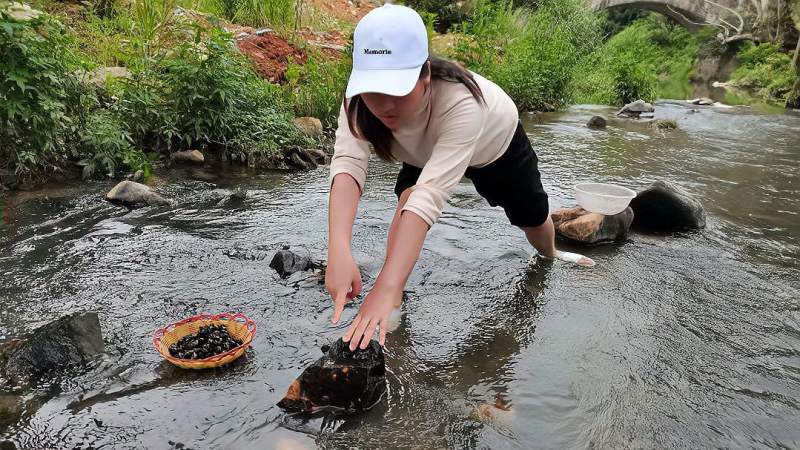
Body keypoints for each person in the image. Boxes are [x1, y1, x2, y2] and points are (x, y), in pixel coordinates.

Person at [326, 4, 594, 352]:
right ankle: (392, 296)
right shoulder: (357, 99)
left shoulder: (462, 102)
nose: (384, 105)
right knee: (407, 200)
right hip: (423, 153)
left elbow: (430, 197)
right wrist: (339, 249)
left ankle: (551, 252)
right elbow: (348, 166)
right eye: (374, 89)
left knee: (533, 220)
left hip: (494, 145)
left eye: (397, 89)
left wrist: (383, 287)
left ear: (424, 73)